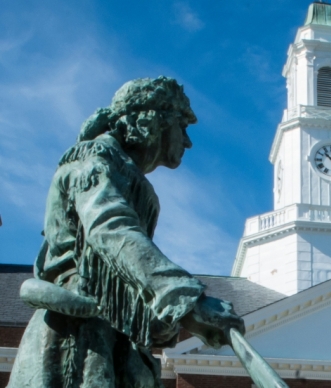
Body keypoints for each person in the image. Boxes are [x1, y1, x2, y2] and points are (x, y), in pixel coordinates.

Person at [9, 77, 244, 388]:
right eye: (182, 127)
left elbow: (124, 274)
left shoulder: (125, 173)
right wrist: (187, 300)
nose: (187, 141)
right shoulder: (94, 162)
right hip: (78, 336)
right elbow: (110, 228)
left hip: (114, 337)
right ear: (153, 121)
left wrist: (172, 320)